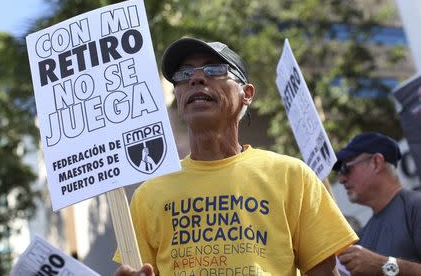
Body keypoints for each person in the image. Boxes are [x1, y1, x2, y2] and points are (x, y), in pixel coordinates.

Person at [113, 37, 358, 276]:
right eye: (184, 75)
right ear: (177, 96)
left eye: (214, 69)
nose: (197, 78)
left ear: (247, 94)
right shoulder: (148, 194)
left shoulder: (292, 176)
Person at [334, 132, 421, 275]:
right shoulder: (362, 237)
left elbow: (380, 266)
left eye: (345, 168)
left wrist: (383, 265)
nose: (341, 179)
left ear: (376, 162)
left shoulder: (415, 208)